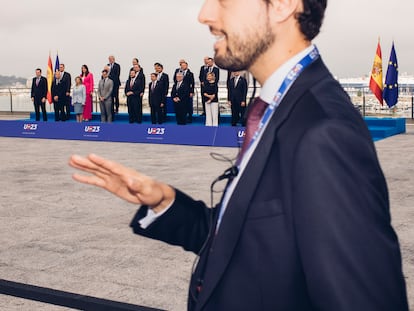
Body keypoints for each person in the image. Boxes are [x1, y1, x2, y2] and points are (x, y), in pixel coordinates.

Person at [69, 0, 409, 310]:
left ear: (282, 6)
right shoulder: (278, 107)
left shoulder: (323, 133)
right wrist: (165, 200)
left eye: (223, 1)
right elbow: (243, 242)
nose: (205, 15)